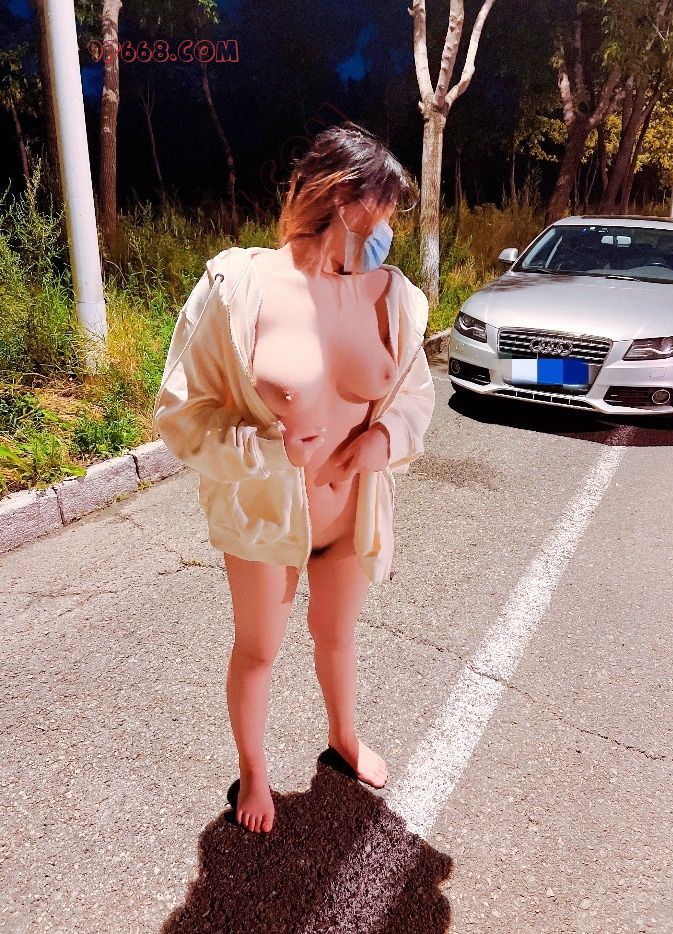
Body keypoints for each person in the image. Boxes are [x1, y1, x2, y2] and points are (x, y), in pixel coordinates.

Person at [152, 121, 436, 834]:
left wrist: (383, 440)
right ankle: (254, 771)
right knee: (259, 651)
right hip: (266, 522)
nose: (383, 236)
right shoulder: (239, 287)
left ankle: (344, 736)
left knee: (338, 637)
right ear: (325, 199)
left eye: (389, 221)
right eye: (372, 218)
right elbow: (180, 412)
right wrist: (263, 446)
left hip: (349, 517)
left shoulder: (393, 297)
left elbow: (415, 395)